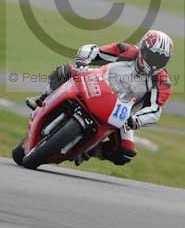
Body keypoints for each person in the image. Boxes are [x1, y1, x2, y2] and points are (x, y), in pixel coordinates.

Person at [27, 30, 173, 166]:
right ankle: (43, 97)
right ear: (142, 50)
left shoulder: (163, 82)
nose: (154, 63)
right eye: (152, 56)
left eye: (160, 60)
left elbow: (155, 110)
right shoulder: (126, 51)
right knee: (64, 71)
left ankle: (90, 150)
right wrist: (82, 62)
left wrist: (135, 120)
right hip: (95, 85)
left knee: (125, 152)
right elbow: (94, 50)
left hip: (121, 114)